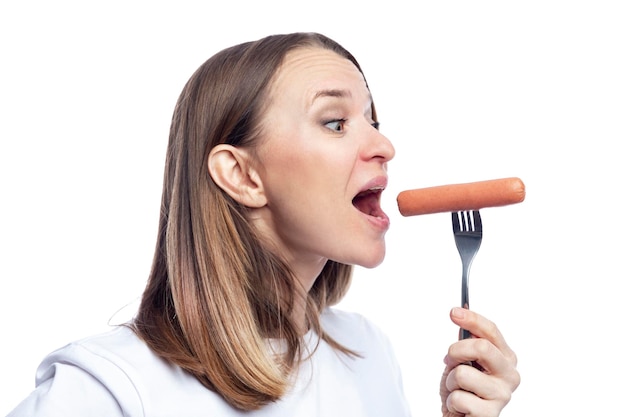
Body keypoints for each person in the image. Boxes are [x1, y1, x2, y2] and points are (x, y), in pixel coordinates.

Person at [7, 32, 520, 417]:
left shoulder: (368, 354)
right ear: (243, 175)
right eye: (336, 122)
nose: (384, 147)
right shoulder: (105, 387)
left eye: (373, 121)